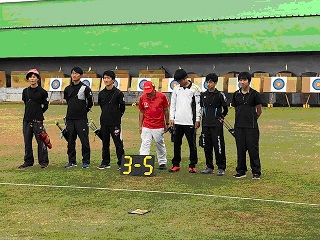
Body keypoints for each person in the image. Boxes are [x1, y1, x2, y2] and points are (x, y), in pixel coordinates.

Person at [231, 71, 263, 179]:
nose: (242, 82)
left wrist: (253, 119)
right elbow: (236, 108)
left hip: (252, 127)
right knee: (240, 149)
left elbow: (259, 110)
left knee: (253, 150)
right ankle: (241, 171)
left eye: (244, 80)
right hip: (239, 127)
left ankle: (256, 172)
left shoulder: (255, 94)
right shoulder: (236, 94)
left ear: (249, 81)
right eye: (240, 80)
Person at [169, 69, 201, 173]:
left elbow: (198, 106)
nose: (179, 83)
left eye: (180, 80)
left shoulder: (195, 89)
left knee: (192, 144)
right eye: (178, 81)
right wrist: (172, 118)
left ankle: (192, 164)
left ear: (185, 78)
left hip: (190, 122)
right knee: (176, 144)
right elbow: (173, 104)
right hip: (178, 121)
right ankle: (176, 164)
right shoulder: (176, 89)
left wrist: (197, 119)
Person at [19, 68, 50, 169]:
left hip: (38, 121)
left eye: (34, 77)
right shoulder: (25, 91)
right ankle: (28, 161)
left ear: (37, 79)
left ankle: (43, 161)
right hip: (27, 120)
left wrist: (39, 113)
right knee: (27, 142)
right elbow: (26, 103)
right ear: (28, 79)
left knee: (41, 142)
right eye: (30, 77)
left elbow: (45, 105)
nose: (32, 79)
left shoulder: (42, 92)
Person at [64, 67, 93, 168]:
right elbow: (68, 101)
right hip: (70, 119)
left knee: (84, 141)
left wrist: (83, 111)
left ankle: (86, 161)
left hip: (81, 120)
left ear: (80, 75)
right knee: (70, 141)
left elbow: (90, 103)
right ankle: (72, 161)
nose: (74, 75)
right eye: (72, 73)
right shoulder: (67, 89)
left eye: (76, 74)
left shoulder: (85, 88)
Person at [200, 73, 228, 175]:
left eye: (211, 82)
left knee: (219, 146)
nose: (208, 84)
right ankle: (209, 167)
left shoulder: (220, 95)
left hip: (216, 125)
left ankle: (221, 167)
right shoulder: (203, 95)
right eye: (207, 82)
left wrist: (221, 118)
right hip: (206, 125)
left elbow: (225, 109)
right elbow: (201, 109)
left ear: (215, 83)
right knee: (207, 146)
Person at [97, 70, 125, 170]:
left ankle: (121, 163)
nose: (106, 80)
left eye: (108, 78)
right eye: (104, 78)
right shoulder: (101, 94)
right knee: (105, 143)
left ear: (113, 80)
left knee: (118, 143)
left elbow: (122, 108)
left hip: (115, 123)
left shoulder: (118, 93)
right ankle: (105, 162)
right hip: (104, 122)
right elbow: (101, 106)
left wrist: (116, 116)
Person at [138, 81, 170, 170]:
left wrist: (167, 123)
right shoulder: (142, 97)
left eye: (150, 91)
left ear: (154, 88)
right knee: (145, 144)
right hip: (146, 125)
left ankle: (162, 162)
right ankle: (143, 162)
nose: (148, 94)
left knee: (160, 144)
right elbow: (141, 111)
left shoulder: (162, 96)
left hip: (159, 125)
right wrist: (140, 126)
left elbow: (166, 110)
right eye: (146, 92)